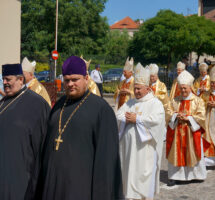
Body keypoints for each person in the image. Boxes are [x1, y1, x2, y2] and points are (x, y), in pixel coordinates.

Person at [36, 56, 123, 200]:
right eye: (67, 80)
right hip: (52, 186)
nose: (70, 84)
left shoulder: (101, 110)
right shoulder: (59, 105)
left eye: (75, 79)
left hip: (81, 188)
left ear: (86, 78)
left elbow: (107, 162)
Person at [0, 63, 50, 200]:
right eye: (3, 79)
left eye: (8, 79)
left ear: (20, 79)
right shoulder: (3, 101)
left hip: (22, 175)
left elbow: (42, 146)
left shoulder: (38, 105)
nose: (4, 83)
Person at [117, 63, 165, 200]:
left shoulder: (155, 104)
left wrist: (137, 119)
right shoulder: (130, 103)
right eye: (135, 88)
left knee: (141, 175)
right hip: (127, 149)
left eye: (139, 89)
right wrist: (128, 119)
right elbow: (119, 114)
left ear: (148, 88)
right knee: (128, 173)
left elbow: (156, 121)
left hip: (144, 150)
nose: (136, 91)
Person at [166, 70, 207, 186]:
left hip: (191, 133)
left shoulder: (198, 101)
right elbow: (168, 113)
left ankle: (196, 175)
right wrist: (175, 115)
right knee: (176, 152)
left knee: (193, 151)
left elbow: (202, 116)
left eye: (185, 88)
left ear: (190, 87)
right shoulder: (174, 100)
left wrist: (189, 118)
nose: (183, 90)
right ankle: (175, 176)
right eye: (181, 88)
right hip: (177, 133)